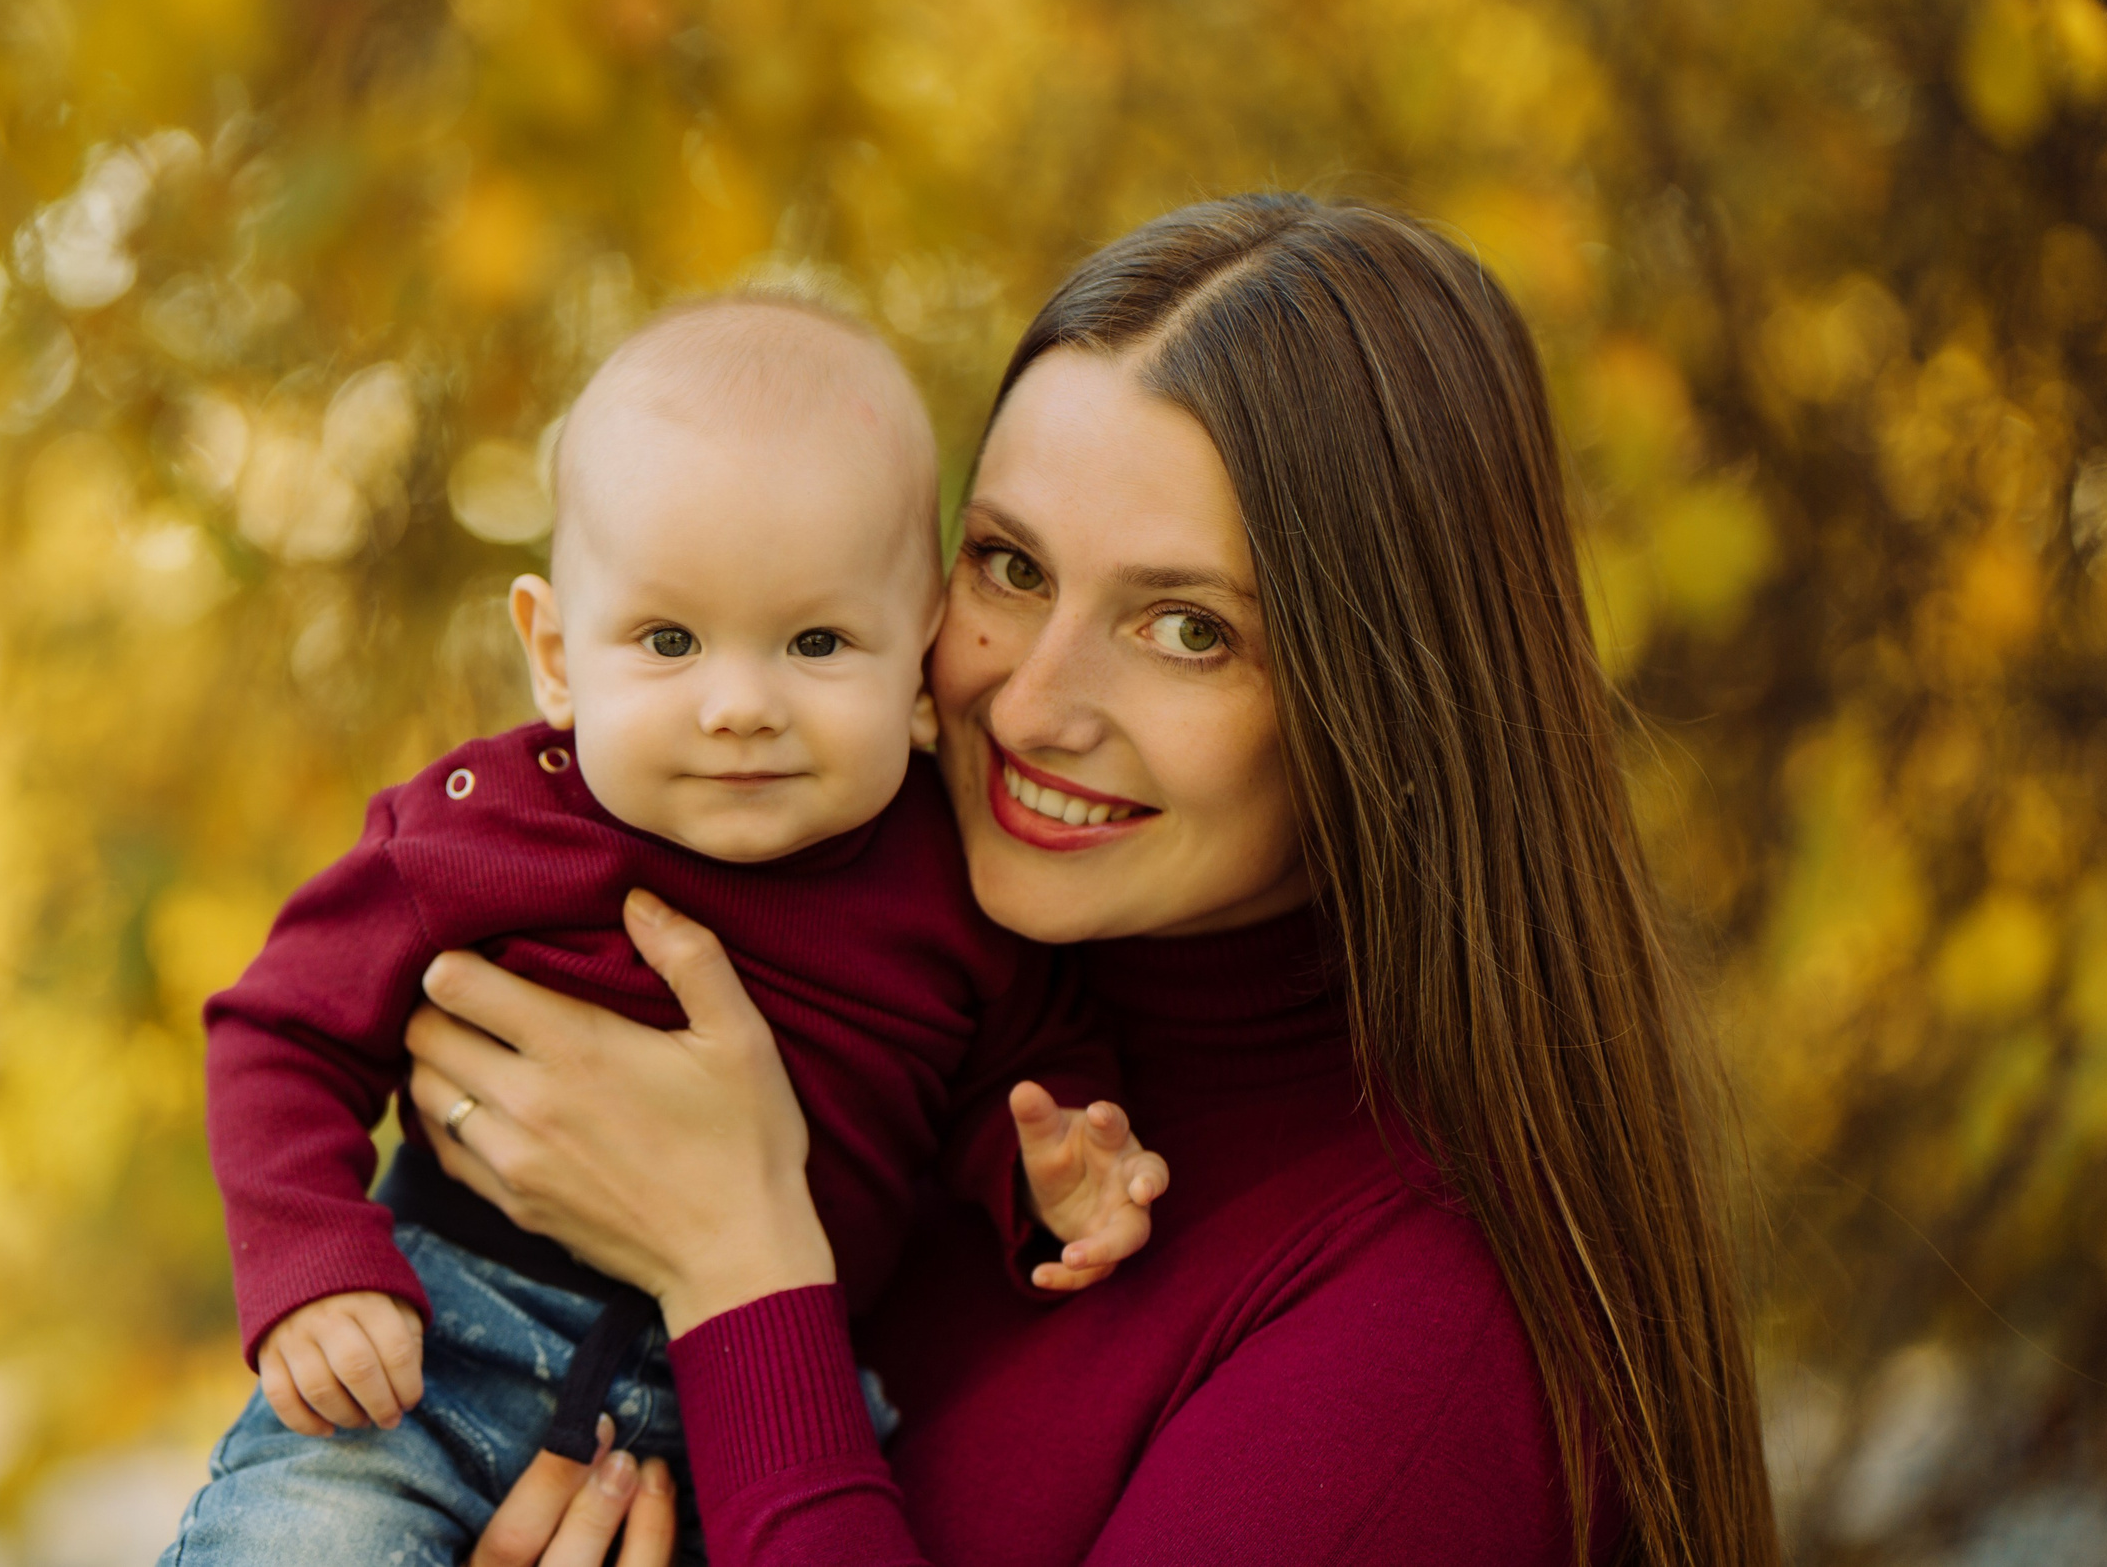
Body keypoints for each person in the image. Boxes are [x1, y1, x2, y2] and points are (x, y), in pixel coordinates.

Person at [403, 196, 1780, 1565]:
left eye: (1187, 627)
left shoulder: (1428, 1348)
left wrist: (741, 1263)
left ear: (1389, 701)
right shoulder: (903, 1054)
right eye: (1010, 564)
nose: (1031, 701)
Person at [161, 298, 1171, 1567]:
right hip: (429, 1355)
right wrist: (318, 1264)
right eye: (669, 640)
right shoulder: (482, 830)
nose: (739, 704)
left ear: (919, 655)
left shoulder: (957, 882)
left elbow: (1020, 1070)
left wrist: (1057, 1171)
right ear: (556, 653)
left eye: (815, 641)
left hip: (750, 1417)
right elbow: (278, 1031)